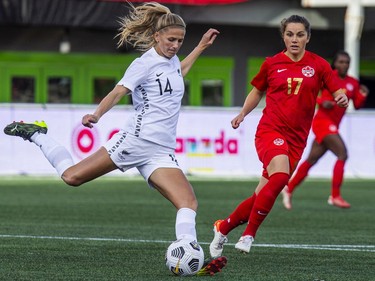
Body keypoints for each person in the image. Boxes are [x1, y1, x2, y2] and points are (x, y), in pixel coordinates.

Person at [4, 2, 226, 276]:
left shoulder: (171, 64)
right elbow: (119, 91)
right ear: (157, 36)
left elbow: (179, 71)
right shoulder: (143, 64)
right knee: (72, 177)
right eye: (171, 39)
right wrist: (97, 114)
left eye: (180, 40)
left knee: (188, 203)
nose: (175, 45)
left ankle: (188, 252)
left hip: (160, 151)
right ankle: (37, 134)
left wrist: (201, 46)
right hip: (134, 142)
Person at [208, 15, 348, 257]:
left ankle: (224, 227)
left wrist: (341, 97)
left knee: (262, 194)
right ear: (283, 36)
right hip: (270, 130)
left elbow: (338, 89)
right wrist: (242, 113)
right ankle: (249, 234)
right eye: (290, 34)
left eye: (300, 34)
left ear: (308, 37)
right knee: (281, 175)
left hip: (297, 139)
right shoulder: (272, 64)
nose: (294, 39)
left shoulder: (319, 65)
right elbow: (256, 92)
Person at [282, 50, 369, 209]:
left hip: (333, 125)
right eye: (341, 62)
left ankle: (289, 188)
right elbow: (310, 92)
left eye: (347, 62)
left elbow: (356, 105)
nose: (344, 65)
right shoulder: (328, 76)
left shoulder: (353, 82)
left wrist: (362, 95)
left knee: (311, 159)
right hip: (322, 121)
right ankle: (335, 196)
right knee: (342, 153)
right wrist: (322, 102)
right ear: (334, 63)